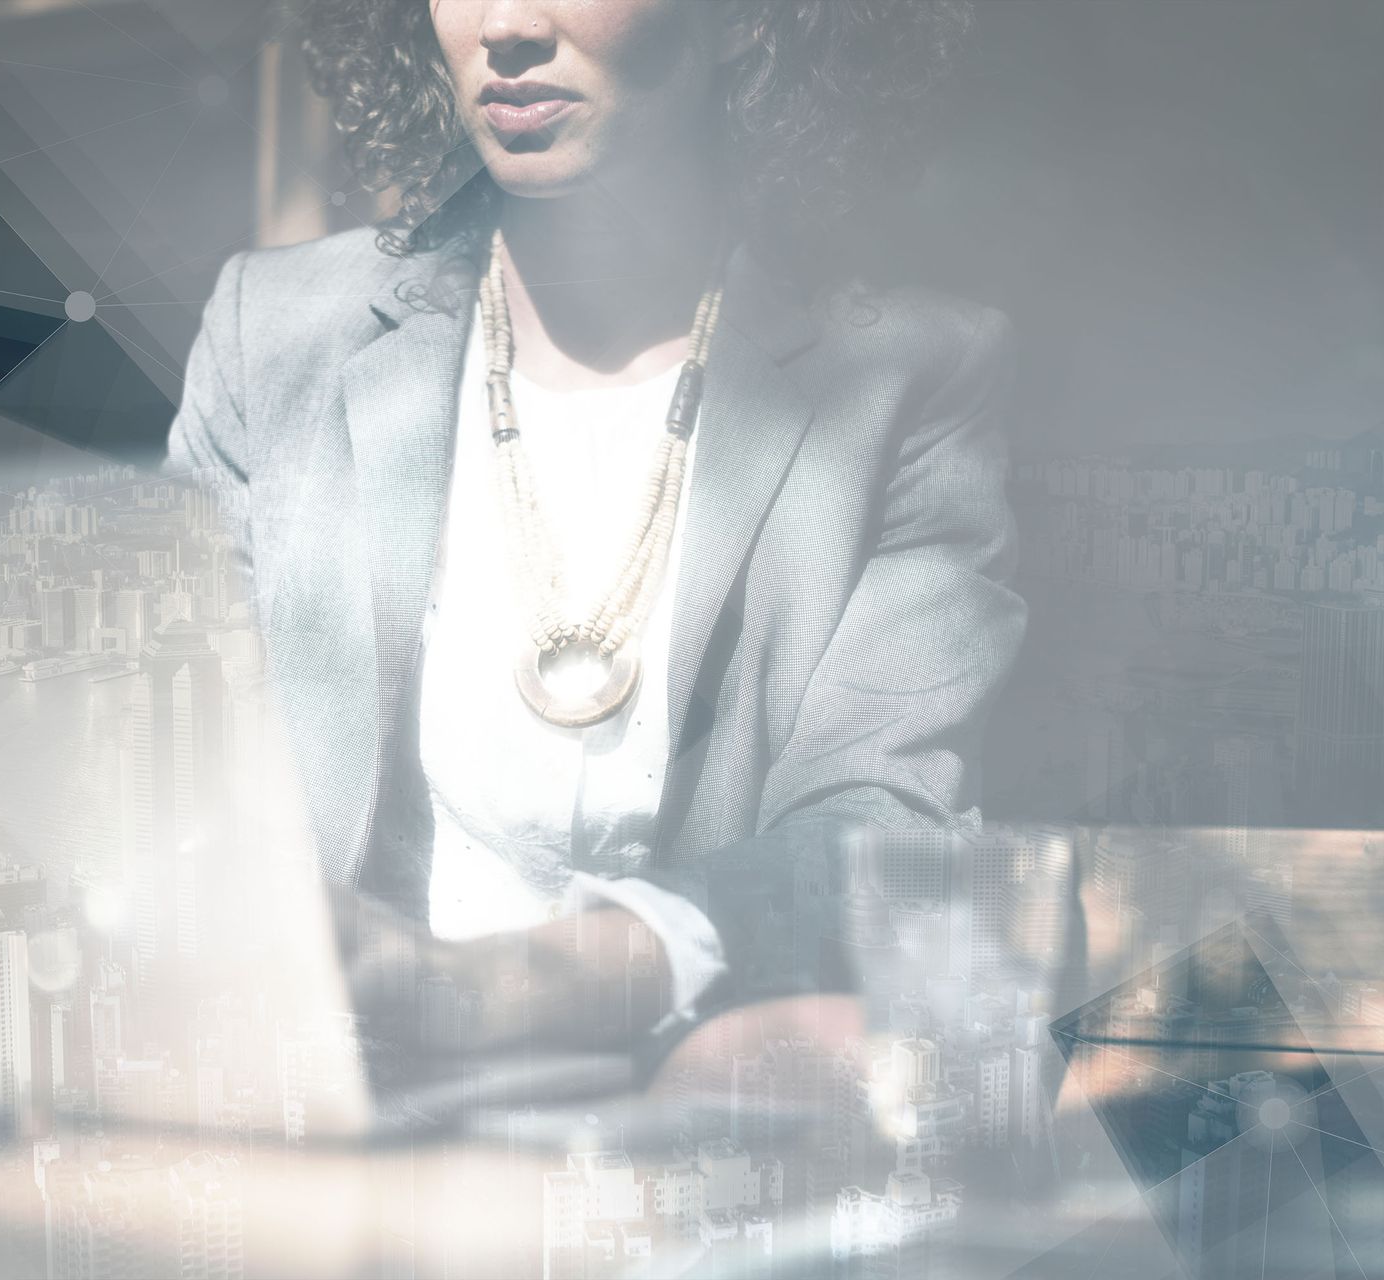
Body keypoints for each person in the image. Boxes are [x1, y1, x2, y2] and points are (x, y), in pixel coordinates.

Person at [165, 0, 1023, 1071]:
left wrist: (518, 987)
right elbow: (172, 766)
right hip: (328, 1126)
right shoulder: (273, 336)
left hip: (698, 1140)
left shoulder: (909, 380)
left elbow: (884, 829)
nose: (507, 24)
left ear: (747, 21)